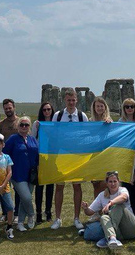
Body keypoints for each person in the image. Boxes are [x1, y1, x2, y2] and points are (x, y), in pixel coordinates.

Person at [50, 88, 88, 230]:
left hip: (76, 155)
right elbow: (53, 133)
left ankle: (76, 218)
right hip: (61, 155)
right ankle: (58, 218)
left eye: (73, 100)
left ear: (76, 100)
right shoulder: (58, 115)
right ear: (64, 100)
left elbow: (86, 133)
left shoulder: (81, 115)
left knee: (77, 186)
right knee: (59, 187)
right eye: (68, 100)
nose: (71, 103)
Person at [82, 170, 135, 250]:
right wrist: (86, 208)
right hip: (119, 233)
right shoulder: (102, 195)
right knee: (103, 218)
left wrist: (110, 203)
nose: (113, 184)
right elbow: (89, 212)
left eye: (115, 181)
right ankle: (112, 239)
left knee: (118, 205)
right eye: (110, 182)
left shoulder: (122, 190)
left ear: (118, 182)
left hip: (131, 228)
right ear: (106, 183)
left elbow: (124, 197)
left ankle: (107, 238)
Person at [4, 116, 39, 232]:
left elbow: (38, 154)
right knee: (26, 197)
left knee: (25, 200)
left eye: (26, 125)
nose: (24, 127)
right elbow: (5, 154)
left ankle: (20, 223)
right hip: (17, 174)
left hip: (31, 174)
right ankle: (31, 214)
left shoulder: (32, 139)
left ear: (29, 127)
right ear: (18, 126)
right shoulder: (13, 139)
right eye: (21, 125)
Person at [118, 97, 135, 217]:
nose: (129, 109)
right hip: (125, 158)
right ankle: (129, 213)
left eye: (132, 106)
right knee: (127, 186)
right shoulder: (120, 122)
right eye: (127, 107)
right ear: (123, 109)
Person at [32, 102, 55, 223]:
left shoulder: (56, 124)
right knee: (40, 186)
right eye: (45, 110)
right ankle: (39, 213)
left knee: (50, 186)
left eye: (49, 109)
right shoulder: (37, 124)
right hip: (41, 157)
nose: (47, 112)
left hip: (53, 157)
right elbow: (33, 139)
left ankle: (48, 211)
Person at [90, 97, 114, 197]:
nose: (99, 108)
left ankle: (106, 208)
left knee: (105, 184)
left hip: (106, 155)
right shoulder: (90, 121)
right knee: (96, 184)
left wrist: (110, 125)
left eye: (101, 106)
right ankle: (97, 209)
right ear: (94, 108)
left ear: (105, 107)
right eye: (97, 106)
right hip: (94, 155)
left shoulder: (109, 120)